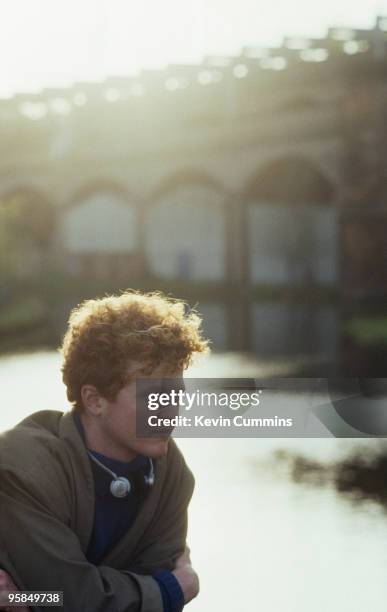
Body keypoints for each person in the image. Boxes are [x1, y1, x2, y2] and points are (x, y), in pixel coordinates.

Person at [0, 290, 209, 612]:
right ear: (95, 400)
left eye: (175, 394)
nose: (170, 410)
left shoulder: (171, 471)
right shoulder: (24, 467)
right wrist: (175, 588)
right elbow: (66, 598)